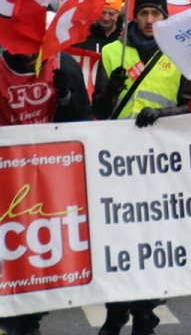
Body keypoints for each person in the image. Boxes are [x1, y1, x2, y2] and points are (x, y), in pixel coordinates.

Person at [92, 0, 191, 335]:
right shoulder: (110, 52)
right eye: (144, 14)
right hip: (118, 164)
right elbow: (98, 111)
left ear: (166, 16)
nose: (150, 21)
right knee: (120, 241)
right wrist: (109, 91)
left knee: (152, 240)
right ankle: (118, 309)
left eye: (156, 14)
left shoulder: (180, 53)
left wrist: (163, 113)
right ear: (134, 16)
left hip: (161, 164)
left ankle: (143, 311)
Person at [0, 45, 90, 335]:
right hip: (6, 177)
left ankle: (30, 321)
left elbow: (83, 123)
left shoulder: (62, 63)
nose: (30, 53)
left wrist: (65, 97)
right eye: (23, 45)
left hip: (49, 178)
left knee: (38, 250)